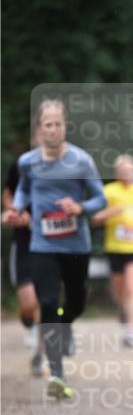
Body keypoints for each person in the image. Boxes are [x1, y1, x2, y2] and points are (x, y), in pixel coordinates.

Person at [3, 99, 106, 399]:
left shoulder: (81, 160)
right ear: (40, 128)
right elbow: (23, 190)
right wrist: (16, 209)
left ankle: (65, 325)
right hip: (42, 244)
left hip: (76, 244)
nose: (53, 129)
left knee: (75, 304)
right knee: (47, 302)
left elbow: (100, 199)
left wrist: (79, 207)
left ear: (65, 126)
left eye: (58, 124)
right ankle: (57, 372)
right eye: (47, 124)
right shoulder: (28, 162)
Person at [92, 154, 133, 347]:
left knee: (132, 287)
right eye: (122, 171)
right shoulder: (108, 191)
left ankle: (132, 331)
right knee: (119, 291)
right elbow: (95, 219)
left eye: (130, 171)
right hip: (115, 247)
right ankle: (123, 310)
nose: (126, 174)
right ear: (116, 173)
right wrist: (110, 213)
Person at [2, 158, 44, 376]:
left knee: (46, 300)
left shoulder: (62, 171)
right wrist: (12, 212)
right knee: (28, 304)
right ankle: (30, 323)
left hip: (51, 246)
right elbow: (8, 193)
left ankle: (40, 354)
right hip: (23, 246)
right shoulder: (21, 165)